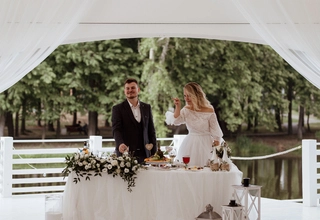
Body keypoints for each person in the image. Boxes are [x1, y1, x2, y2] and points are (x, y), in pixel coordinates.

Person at [165, 82, 223, 167]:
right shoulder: (186, 110)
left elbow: (216, 133)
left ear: (197, 95)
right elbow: (176, 121)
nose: (186, 98)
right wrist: (178, 106)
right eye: (185, 96)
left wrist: (217, 154)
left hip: (207, 144)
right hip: (190, 145)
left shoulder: (209, 110)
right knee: (188, 170)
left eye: (189, 95)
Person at [112, 78, 157, 163]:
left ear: (138, 89)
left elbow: (151, 131)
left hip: (145, 155)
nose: (130, 90)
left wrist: (154, 154)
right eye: (127, 88)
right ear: (124, 91)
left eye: (133, 88)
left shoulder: (147, 107)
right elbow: (116, 130)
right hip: (126, 155)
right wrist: (120, 143)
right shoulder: (117, 109)